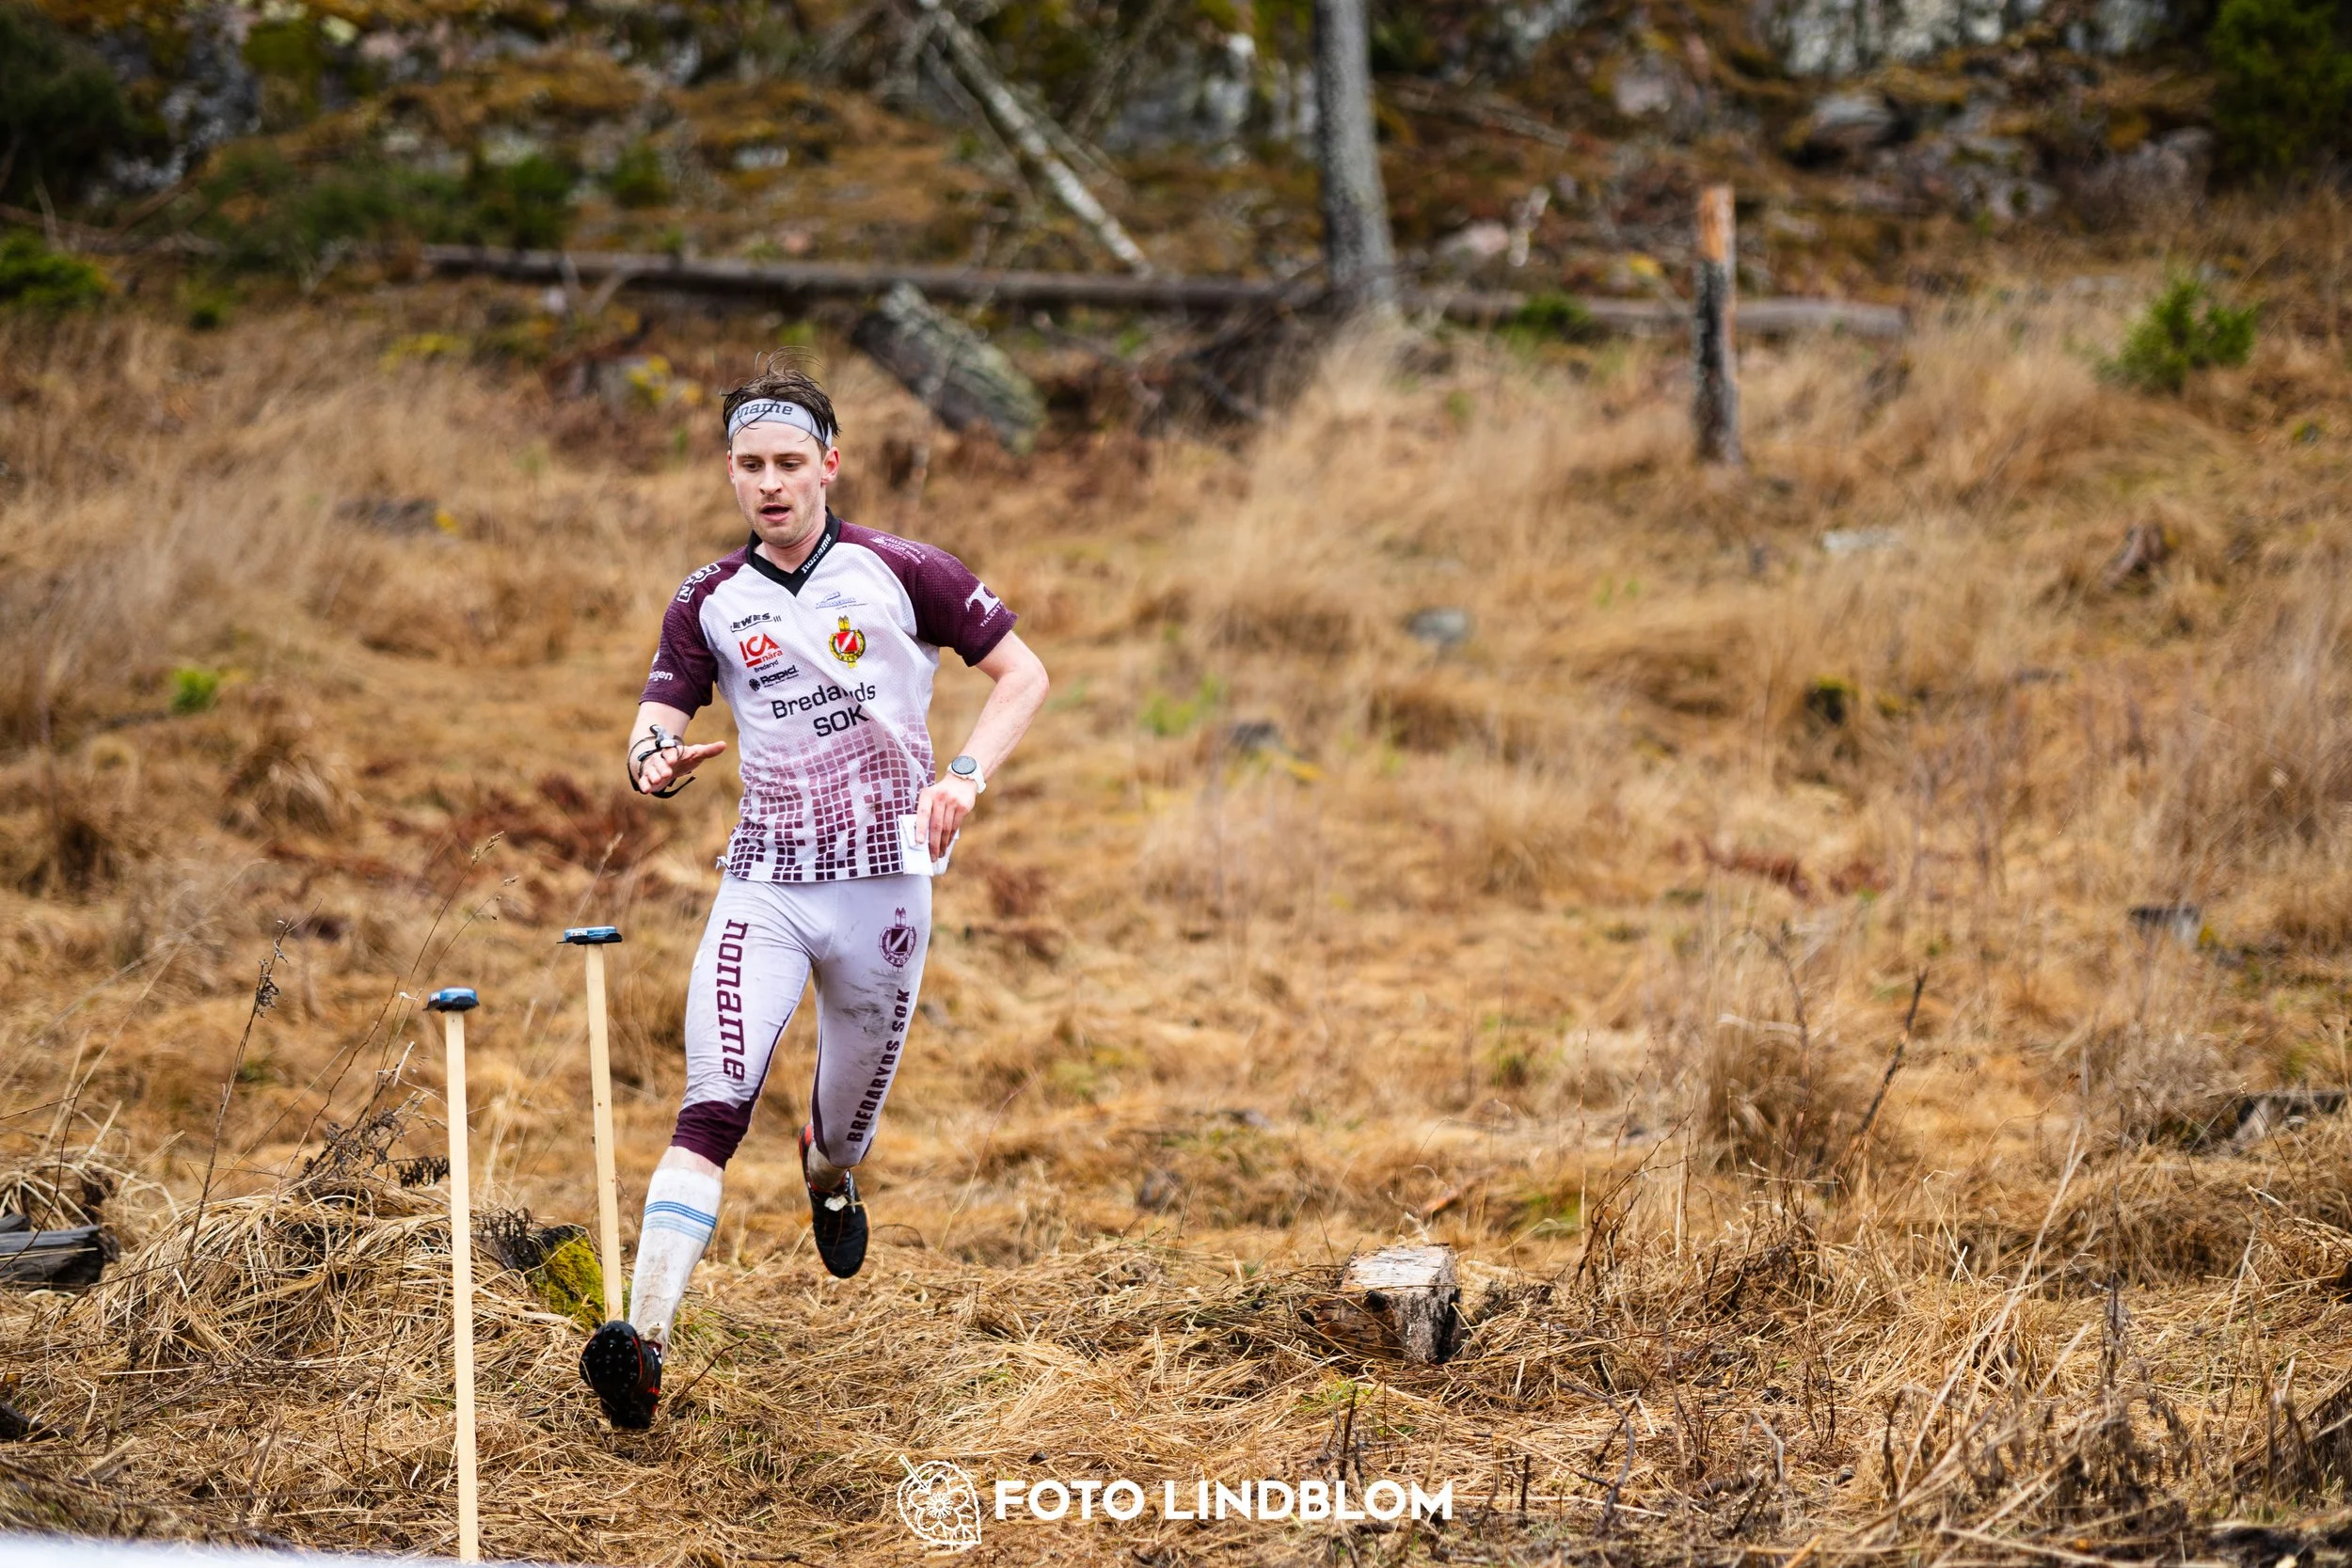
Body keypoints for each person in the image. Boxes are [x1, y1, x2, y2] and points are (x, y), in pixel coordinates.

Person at [579, 358, 1050, 1429]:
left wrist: (962, 779)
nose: (771, 484)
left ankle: (828, 1175)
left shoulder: (904, 568)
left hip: (886, 894)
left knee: (842, 1129)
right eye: (750, 465)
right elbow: (652, 720)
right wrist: (649, 761)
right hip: (768, 886)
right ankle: (642, 1345)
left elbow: (1023, 674)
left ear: (830, 465)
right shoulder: (709, 598)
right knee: (712, 1102)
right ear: (731, 474)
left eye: (790, 462)